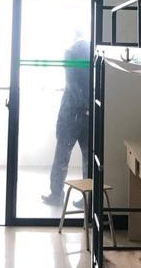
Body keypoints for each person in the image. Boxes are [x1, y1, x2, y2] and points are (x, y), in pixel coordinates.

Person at [42, 32, 90, 207]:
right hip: (89, 113)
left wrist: (81, 104)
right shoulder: (91, 51)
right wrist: (88, 107)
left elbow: (71, 83)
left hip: (71, 112)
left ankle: (57, 194)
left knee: (62, 154)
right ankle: (89, 198)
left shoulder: (69, 52)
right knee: (88, 157)